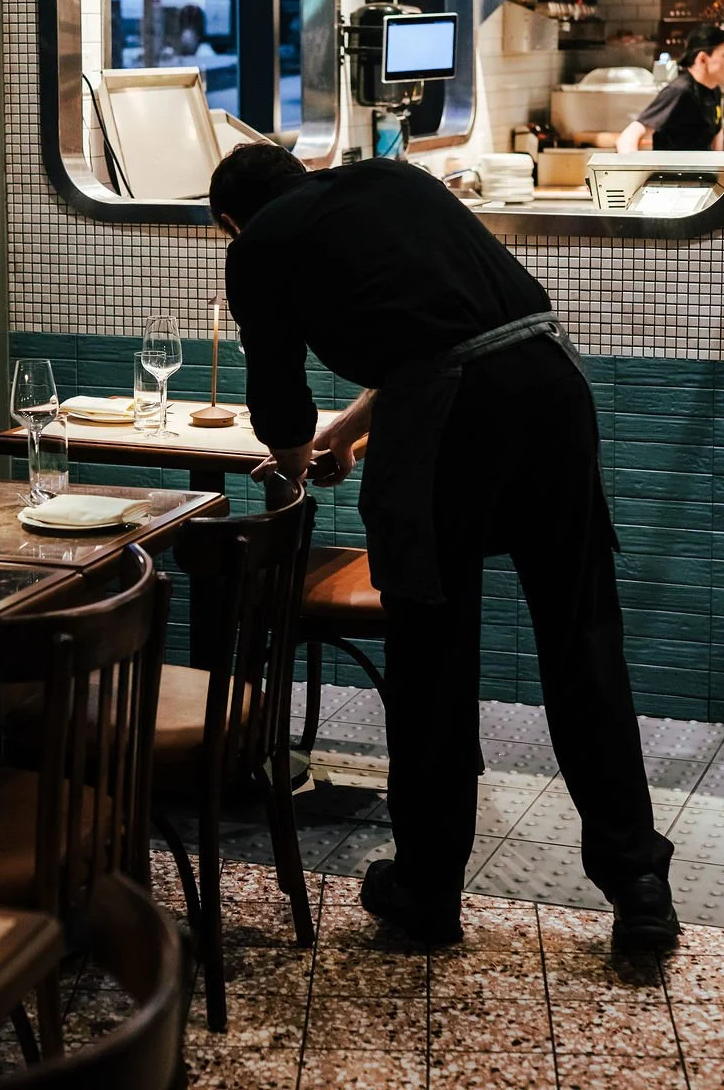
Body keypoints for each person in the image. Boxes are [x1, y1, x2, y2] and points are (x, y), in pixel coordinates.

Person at [209, 142, 678, 951]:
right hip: (554, 385)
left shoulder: (258, 244)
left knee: (432, 654)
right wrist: (348, 436)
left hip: (452, 422)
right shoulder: (392, 181)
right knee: (582, 640)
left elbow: (279, 407)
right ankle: (639, 886)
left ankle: (427, 892)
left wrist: (295, 466)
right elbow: (444, 331)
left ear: (228, 220)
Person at [616, 24, 724, 153]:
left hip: (701, 172)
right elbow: (627, 137)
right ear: (703, 59)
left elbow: (717, 132)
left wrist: (719, 169)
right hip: (674, 172)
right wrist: (634, 171)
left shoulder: (713, 90)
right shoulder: (680, 91)